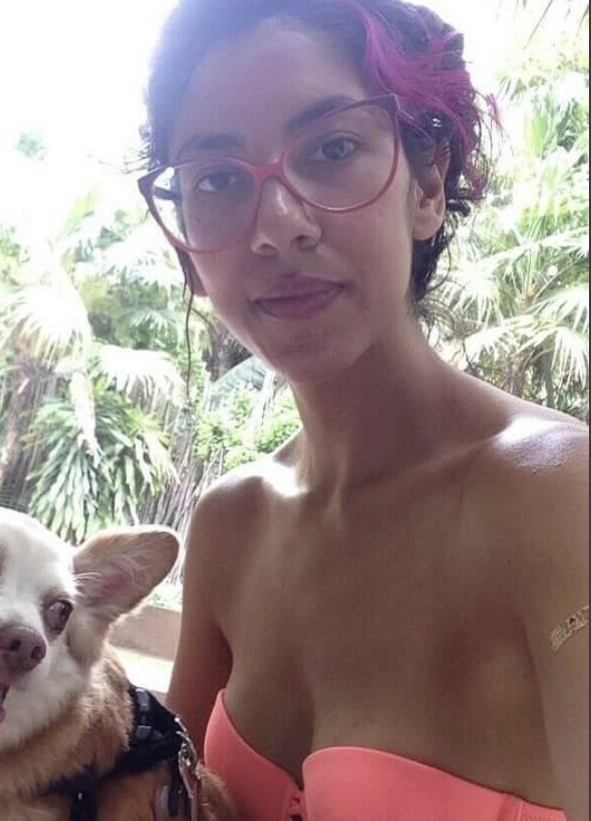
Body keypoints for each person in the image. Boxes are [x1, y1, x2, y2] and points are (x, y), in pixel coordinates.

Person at [135, 0, 589, 819]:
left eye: (332, 148)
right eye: (218, 180)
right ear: (186, 247)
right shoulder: (232, 526)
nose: (277, 228)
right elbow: (156, 799)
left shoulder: (559, 499)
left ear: (428, 183)